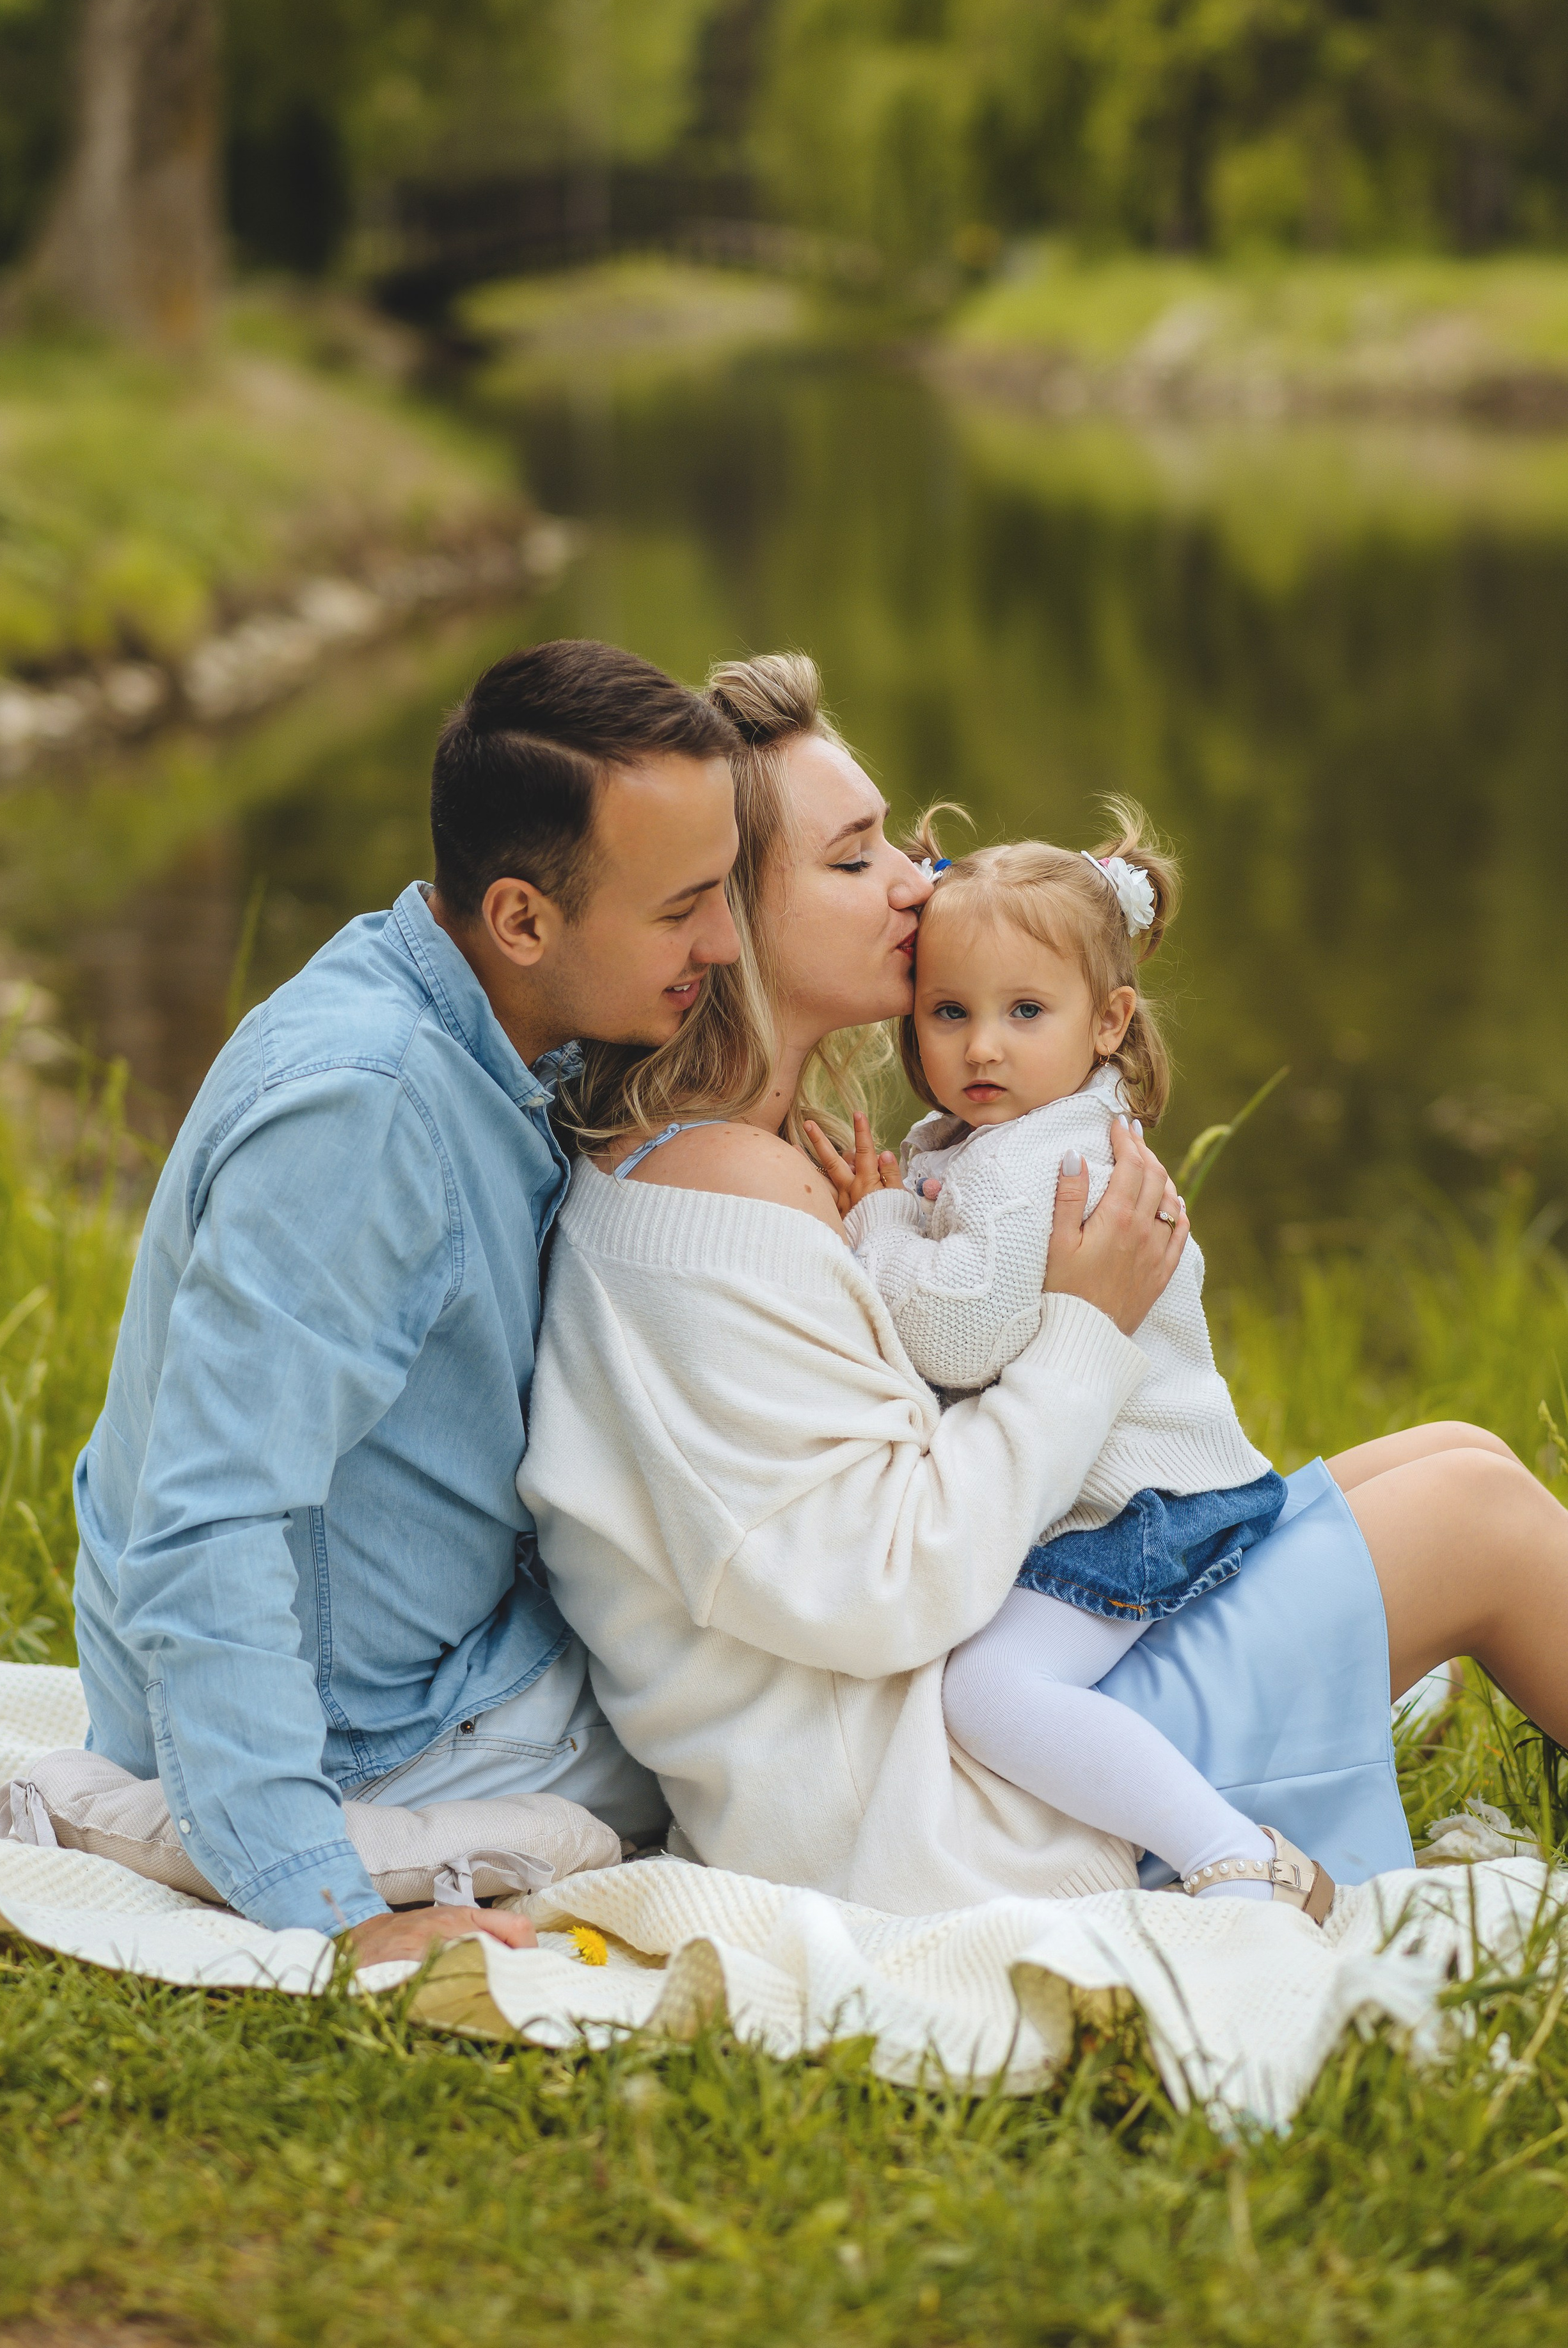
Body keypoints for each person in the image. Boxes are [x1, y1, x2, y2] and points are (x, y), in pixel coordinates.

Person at [519, 650, 1568, 1916]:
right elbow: (890, 1583)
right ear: (719, 915)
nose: (917, 885)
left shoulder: (747, 1164)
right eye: (854, 861)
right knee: (1475, 1517)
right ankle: (1232, 1830)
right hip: (951, 1796)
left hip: (969, 1696)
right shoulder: (721, 1200)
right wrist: (1083, 1325)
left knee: (1444, 1450)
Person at [72, 639, 747, 1967]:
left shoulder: (462, 1012)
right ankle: (249, 1830)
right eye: (682, 910)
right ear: (520, 919)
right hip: (364, 1737)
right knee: (787, 1725)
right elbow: (209, 1515)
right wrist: (317, 1903)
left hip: (431, 1652)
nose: (720, 945)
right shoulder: (365, 1110)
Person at [809, 807, 1310, 1912]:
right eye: (949, 1012)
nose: (981, 1046)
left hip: (1137, 1503)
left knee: (986, 1692)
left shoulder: (1034, 1163)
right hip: (1137, 1482)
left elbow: (956, 1336)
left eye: (1024, 1011)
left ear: (1108, 1020)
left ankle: (1233, 1853)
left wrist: (878, 1223)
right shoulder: (994, 1140)